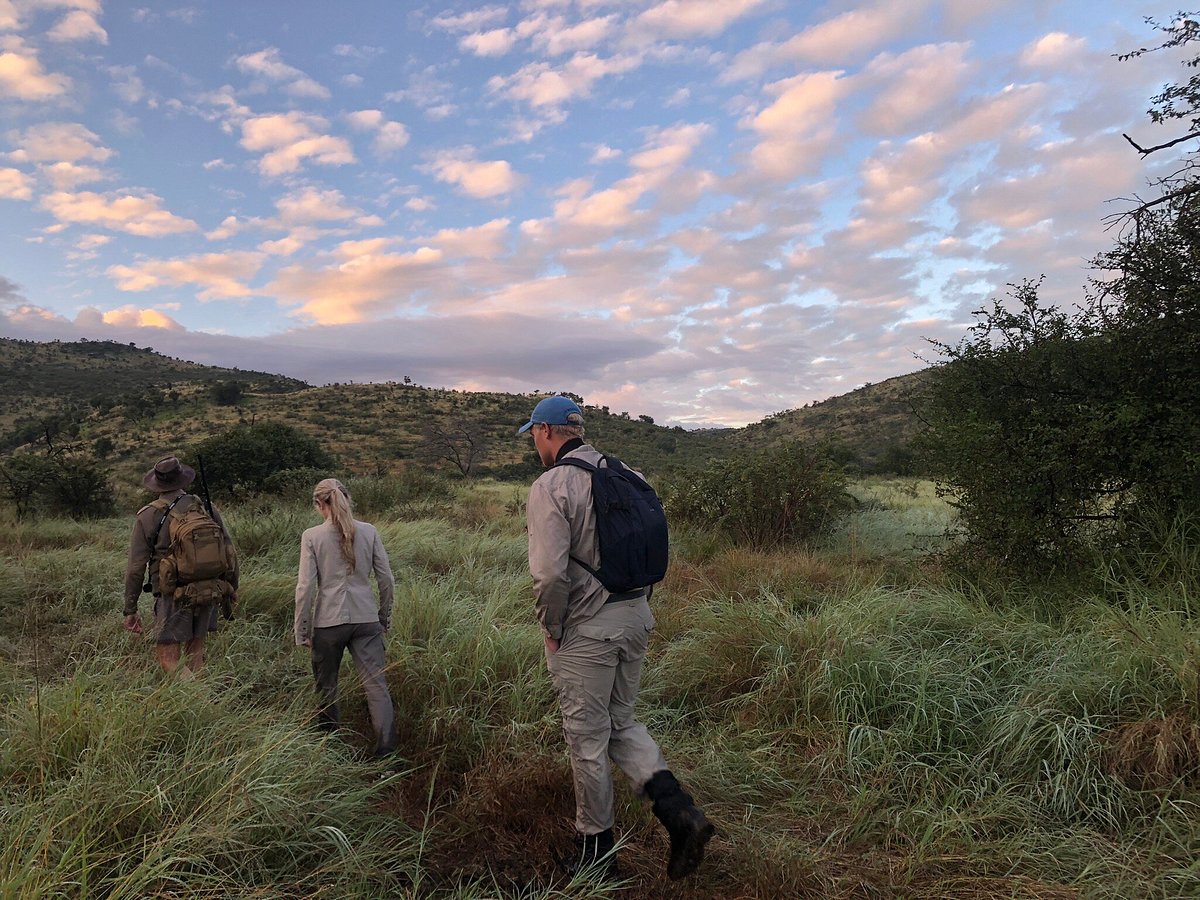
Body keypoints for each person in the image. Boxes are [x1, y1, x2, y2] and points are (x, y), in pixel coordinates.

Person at [519, 395, 714, 880]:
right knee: (622, 723)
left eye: (534, 436)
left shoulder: (552, 485)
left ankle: (596, 857)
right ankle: (680, 814)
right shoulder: (630, 473)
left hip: (589, 630)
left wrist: (552, 628)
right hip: (636, 615)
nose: (535, 445)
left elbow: (548, 575)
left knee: (586, 741)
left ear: (545, 433)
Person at [294, 478, 398, 759]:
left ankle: (330, 750)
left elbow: (306, 588)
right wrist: (383, 618)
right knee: (377, 688)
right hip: (366, 619)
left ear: (319, 505)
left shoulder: (312, 536)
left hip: (327, 622)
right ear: (346, 498)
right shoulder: (369, 531)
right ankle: (386, 754)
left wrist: (301, 630)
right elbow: (386, 579)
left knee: (326, 686)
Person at [123, 455, 238, 675]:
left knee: (168, 658)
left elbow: (135, 568)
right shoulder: (206, 507)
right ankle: (202, 701)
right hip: (210, 589)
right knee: (195, 654)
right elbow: (229, 550)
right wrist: (232, 587)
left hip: (171, 595)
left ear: (157, 484)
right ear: (183, 479)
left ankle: (202, 702)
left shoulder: (147, 516)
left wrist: (130, 609)